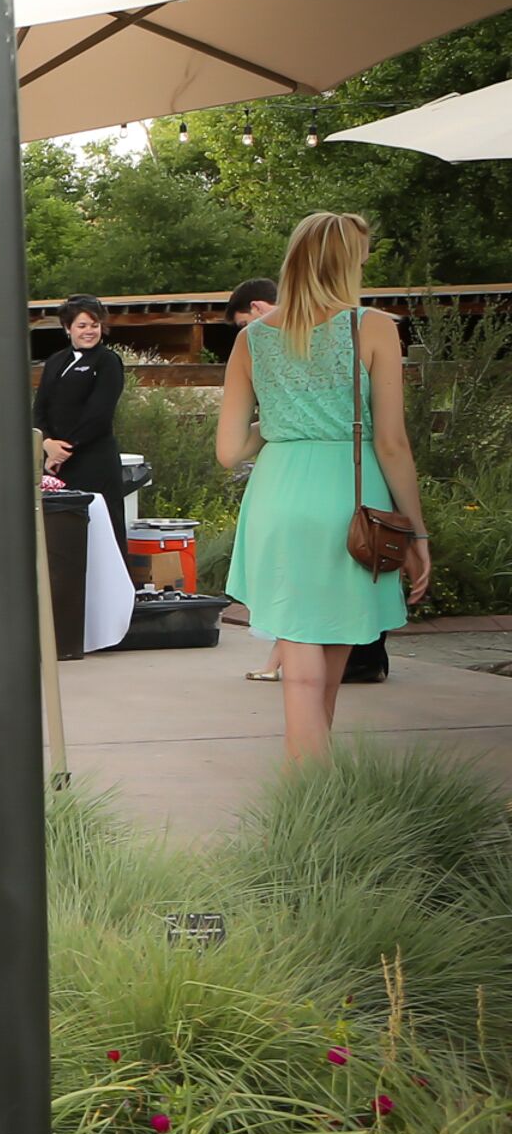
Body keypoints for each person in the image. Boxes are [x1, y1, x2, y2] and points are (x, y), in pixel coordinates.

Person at [219, 212, 428, 761]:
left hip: (279, 491)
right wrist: (417, 533)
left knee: (300, 643)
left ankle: (310, 786)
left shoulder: (252, 338)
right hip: (349, 493)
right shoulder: (376, 326)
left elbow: (228, 451)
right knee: (332, 644)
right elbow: (391, 443)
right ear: (347, 262)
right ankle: (308, 786)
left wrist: (284, 421)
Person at [221, 278, 284, 680]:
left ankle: (282, 663)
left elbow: (229, 451)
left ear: (260, 309)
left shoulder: (260, 345)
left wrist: (265, 430)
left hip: (283, 468)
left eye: (245, 321)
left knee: (284, 571)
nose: (245, 331)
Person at [33, 295, 128, 531]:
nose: (89, 332)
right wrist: (46, 443)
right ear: (68, 328)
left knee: (101, 528)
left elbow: (99, 414)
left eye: (94, 326)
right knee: (62, 531)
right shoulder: (55, 361)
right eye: (82, 326)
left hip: (93, 461)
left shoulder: (107, 361)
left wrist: (64, 449)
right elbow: (39, 407)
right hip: (56, 464)